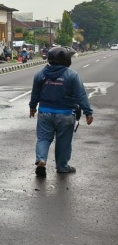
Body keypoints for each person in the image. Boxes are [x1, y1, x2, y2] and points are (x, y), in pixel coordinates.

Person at [29, 46, 93, 177]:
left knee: (43, 139)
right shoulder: (72, 75)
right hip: (66, 114)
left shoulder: (40, 74)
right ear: (64, 60)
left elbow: (35, 94)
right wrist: (88, 112)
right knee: (63, 142)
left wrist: (32, 107)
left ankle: (41, 159)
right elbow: (81, 95)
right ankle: (62, 167)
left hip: (45, 113)